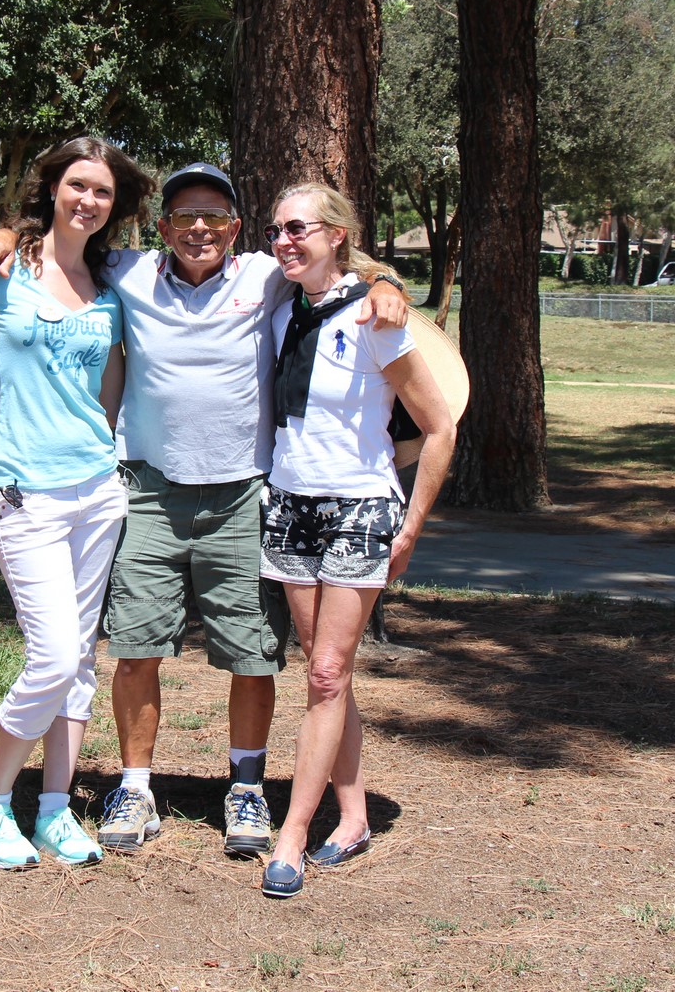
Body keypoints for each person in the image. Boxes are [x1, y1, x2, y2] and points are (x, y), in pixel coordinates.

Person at [0, 164, 408, 859]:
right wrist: (1, 234)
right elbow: (59, 238)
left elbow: (347, 261)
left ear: (235, 229)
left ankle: (245, 785)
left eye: (214, 216)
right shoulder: (130, 271)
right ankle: (136, 785)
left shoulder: (267, 274)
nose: (198, 228)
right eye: (183, 216)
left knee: (251, 654)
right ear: (162, 226)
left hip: (243, 494)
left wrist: (387, 285)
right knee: (136, 647)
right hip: (147, 491)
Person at [0, 136, 153, 870]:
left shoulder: (112, 285)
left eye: (102, 191)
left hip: (97, 494)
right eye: (78, 185)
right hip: (19, 492)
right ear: (53, 188)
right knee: (53, 653)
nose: (88, 200)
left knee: (78, 665)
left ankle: (56, 810)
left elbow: (109, 394)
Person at [255, 183, 456, 899]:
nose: (284, 240)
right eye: (277, 229)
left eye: (298, 228)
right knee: (324, 673)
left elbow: (439, 426)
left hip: (357, 509)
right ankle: (355, 815)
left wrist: (411, 523)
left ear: (337, 234)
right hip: (288, 508)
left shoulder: (377, 317)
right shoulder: (282, 310)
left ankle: (291, 836)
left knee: (327, 674)